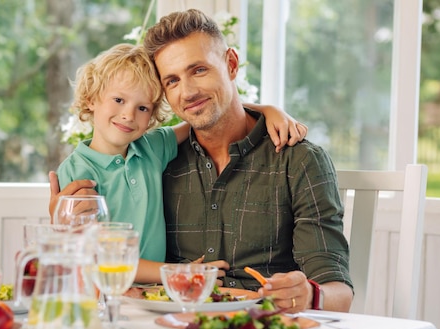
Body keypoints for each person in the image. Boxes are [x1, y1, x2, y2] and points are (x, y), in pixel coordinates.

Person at [139, 9, 352, 312]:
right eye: (172, 81)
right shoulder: (158, 162)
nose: (187, 92)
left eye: (199, 70)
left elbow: (338, 294)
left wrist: (308, 294)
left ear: (231, 64)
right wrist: (70, 213)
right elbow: (109, 248)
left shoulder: (299, 160)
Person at [55, 43, 306, 283]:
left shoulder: (151, 147)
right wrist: (177, 272)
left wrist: (268, 110)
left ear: (152, 116)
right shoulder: (77, 173)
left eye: (142, 107)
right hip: (104, 292)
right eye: (119, 100)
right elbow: (99, 257)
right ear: (91, 98)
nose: (128, 115)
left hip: (155, 294)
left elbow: (210, 112)